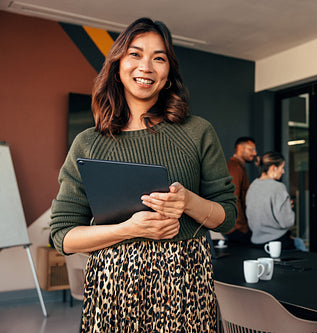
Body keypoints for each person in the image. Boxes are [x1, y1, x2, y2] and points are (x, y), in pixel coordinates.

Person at [49, 18, 236, 332]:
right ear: (118, 65)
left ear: (168, 73)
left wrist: (188, 201)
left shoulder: (197, 131)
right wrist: (127, 229)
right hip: (112, 292)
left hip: (184, 288)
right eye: (135, 54)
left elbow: (227, 217)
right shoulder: (88, 143)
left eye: (158, 58)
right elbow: (62, 236)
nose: (146, 66)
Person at [245, 151, 305, 251]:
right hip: (277, 243)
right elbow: (287, 222)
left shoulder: (253, 186)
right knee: (300, 243)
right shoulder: (278, 187)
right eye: (282, 167)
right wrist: (287, 209)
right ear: (273, 167)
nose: (283, 171)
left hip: (256, 243)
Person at [225, 137, 257, 244]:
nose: (254, 153)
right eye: (251, 149)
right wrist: (240, 226)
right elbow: (233, 197)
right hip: (237, 228)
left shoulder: (239, 166)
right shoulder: (235, 167)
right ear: (240, 148)